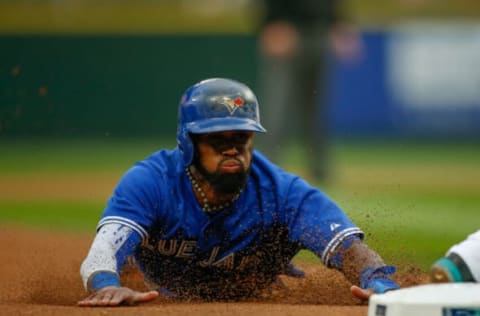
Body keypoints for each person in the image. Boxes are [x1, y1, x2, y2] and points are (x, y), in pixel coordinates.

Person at [78, 78, 398, 307]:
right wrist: (107, 286)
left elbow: (348, 248)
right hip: (161, 287)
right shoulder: (150, 181)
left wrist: (377, 282)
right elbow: (102, 251)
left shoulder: (283, 192)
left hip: (248, 294)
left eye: (242, 137)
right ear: (188, 142)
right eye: (217, 138)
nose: (232, 149)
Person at [256, 0, 362, 181]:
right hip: (285, 29)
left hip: (318, 30)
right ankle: (266, 171)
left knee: (315, 109)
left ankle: (320, 171)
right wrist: (272, 21)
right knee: (277, 109)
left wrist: (339, 23)